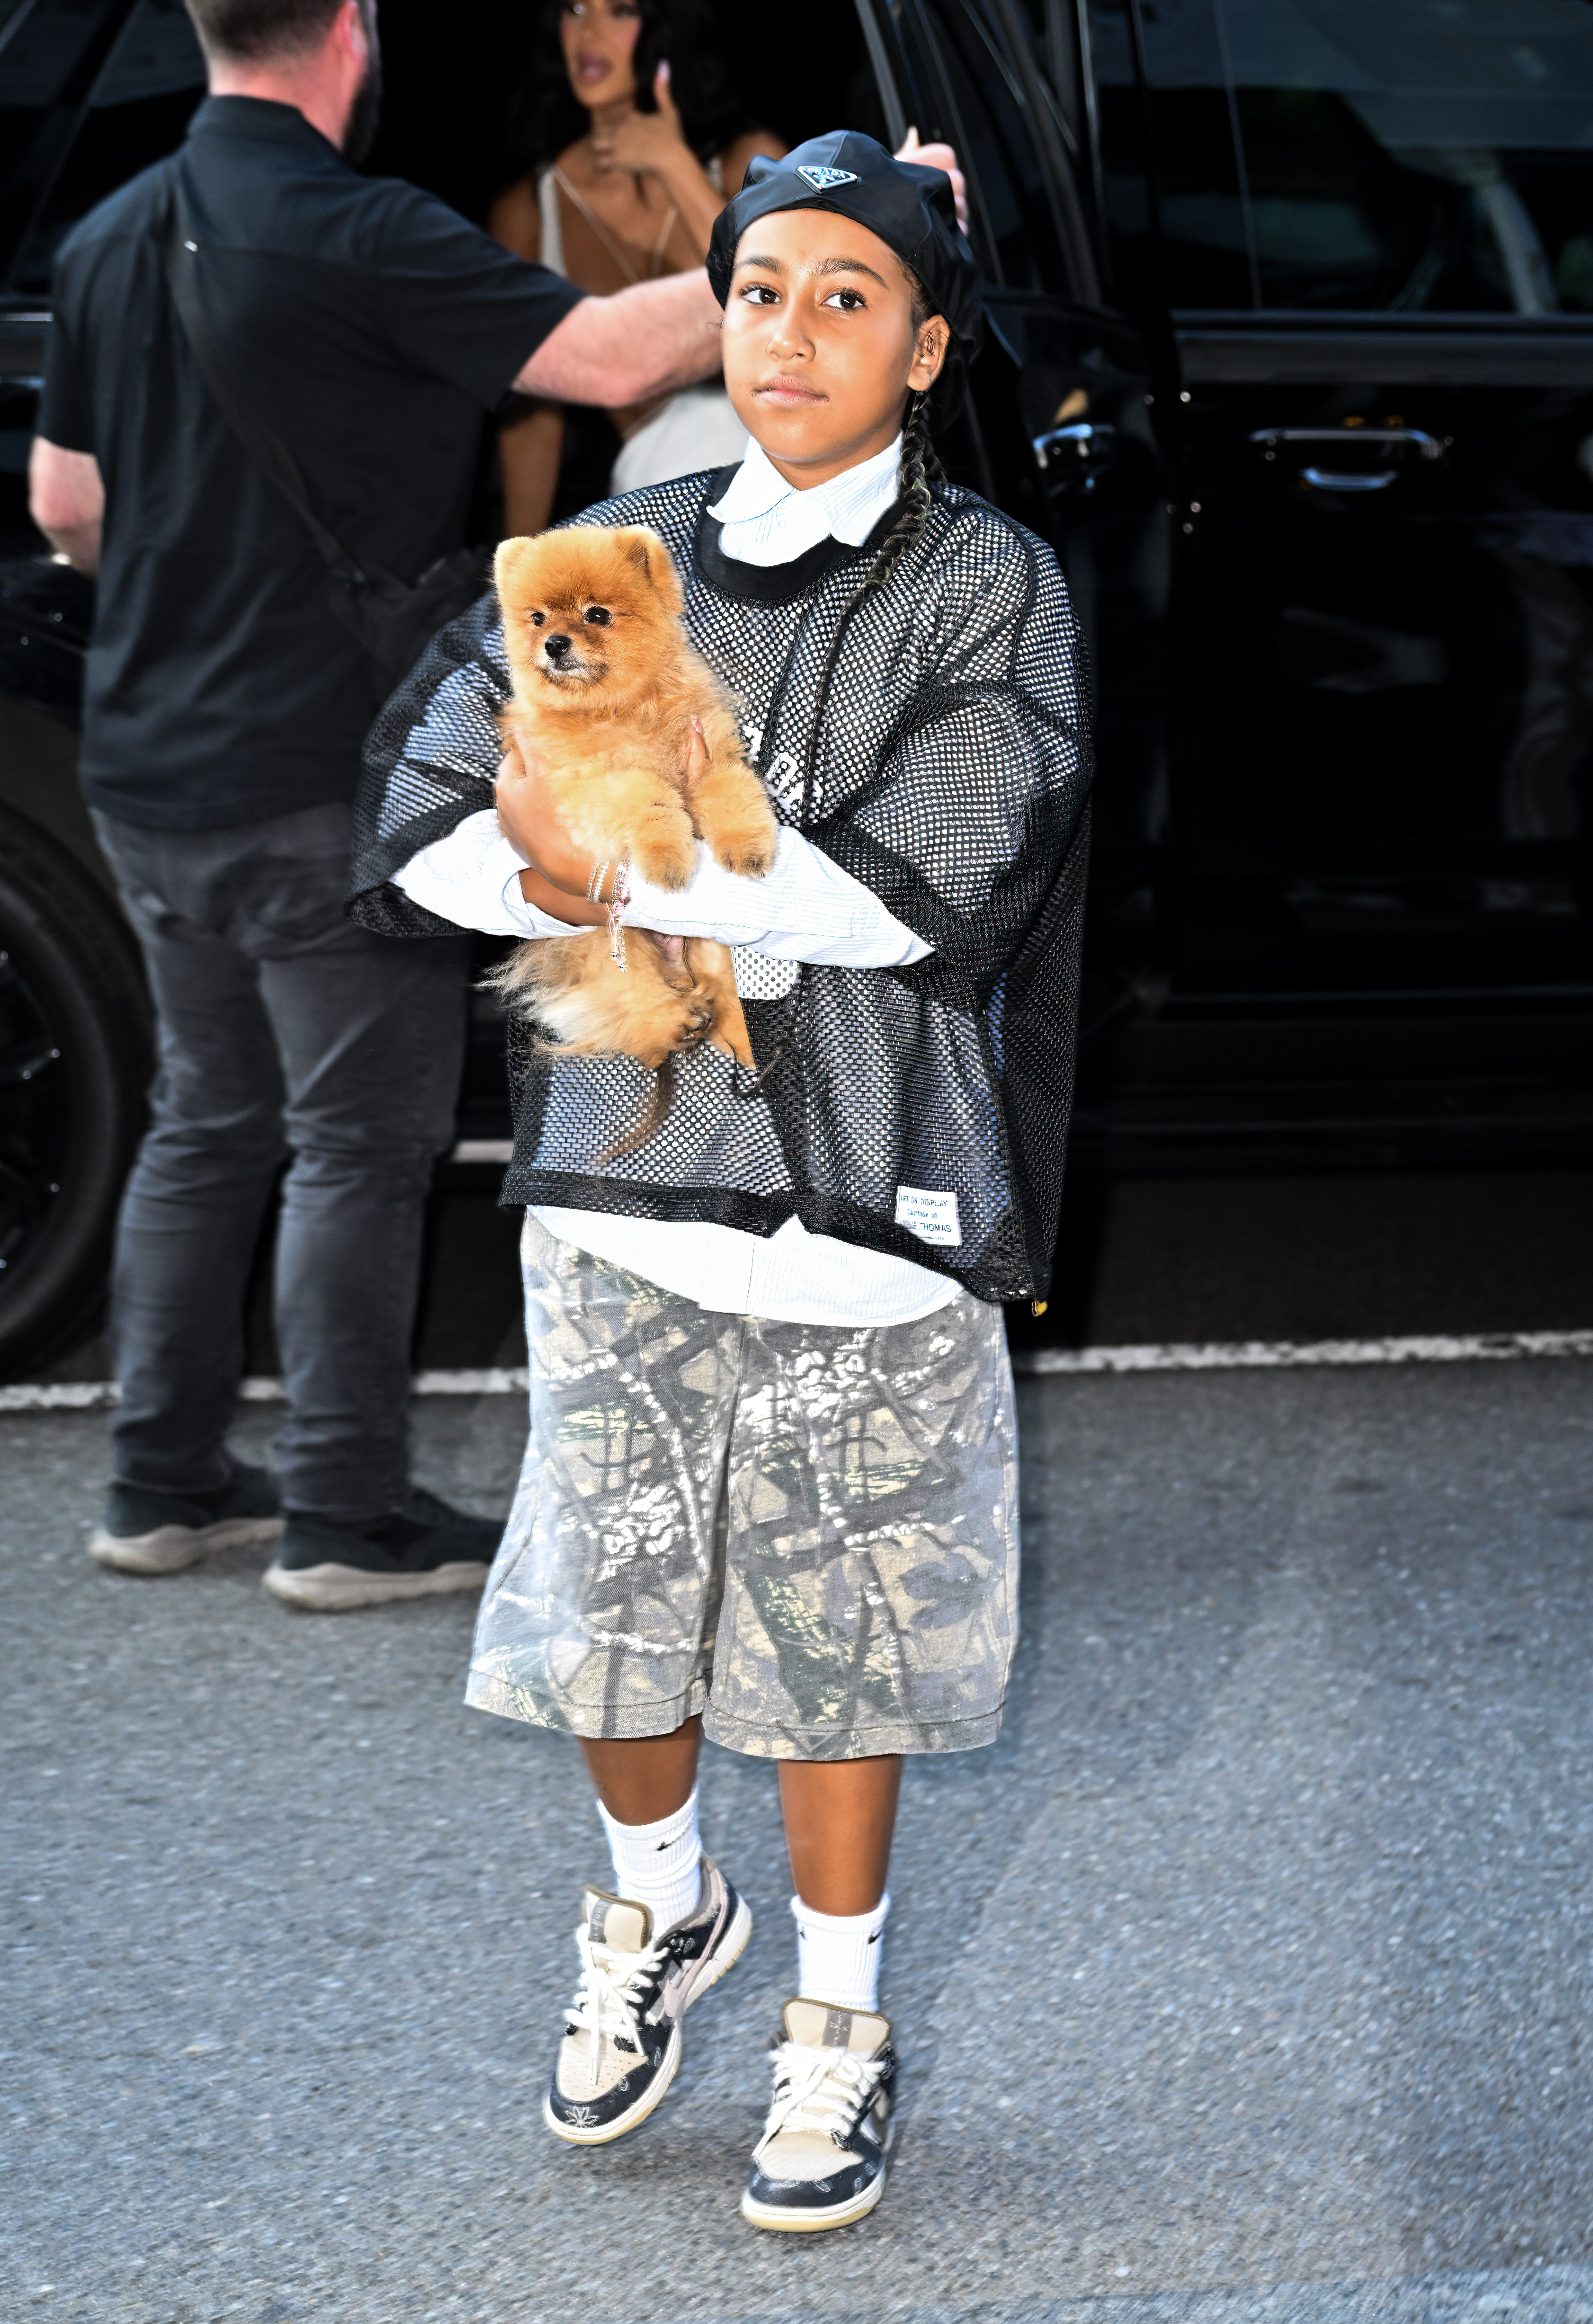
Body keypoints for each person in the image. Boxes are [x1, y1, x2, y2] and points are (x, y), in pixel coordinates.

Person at [348, 134, 1090, 2225]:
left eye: (848, 295)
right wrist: (563, 863)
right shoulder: (607, 545)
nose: (790, 331)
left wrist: (621, 861)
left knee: (838, 1640)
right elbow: (416, 820)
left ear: (927, 346)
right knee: (616, 1614)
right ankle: (659, 1906)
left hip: (866, 1211)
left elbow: (931, 881)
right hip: (618, 1179)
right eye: (761, 287)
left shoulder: (988, 584)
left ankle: (837, 2018)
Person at [26, 0, 744, 1611]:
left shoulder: (110, 230)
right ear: (351, 30)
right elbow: (618, 356)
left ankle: (163, 1484)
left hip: (145, 765)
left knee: (204, 1119)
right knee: (357, 1140)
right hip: (316, 779)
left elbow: (66, 506)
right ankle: (344, 1512)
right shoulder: (360, 228)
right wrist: (824, 223)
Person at [488, 0, 967, 529]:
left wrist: (672, 163)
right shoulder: (530, 206)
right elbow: (535, 407)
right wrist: (517, 562)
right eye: (575, 8)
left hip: (811, 438)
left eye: (620, 10)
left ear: (665, 26)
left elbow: (784, 275)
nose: (590, 33)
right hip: (664, 474)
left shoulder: (753, 160)